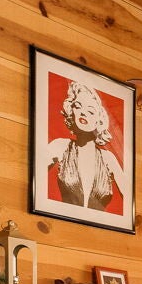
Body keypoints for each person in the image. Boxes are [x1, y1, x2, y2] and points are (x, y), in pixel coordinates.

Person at [45, 81, 124, 211]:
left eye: (91, 111)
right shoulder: (60, 146)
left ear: (99, 121)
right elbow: (32, 172)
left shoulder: (108, 158)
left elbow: (131, 200)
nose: (83, 113)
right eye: (78, 107)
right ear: (71, 111)